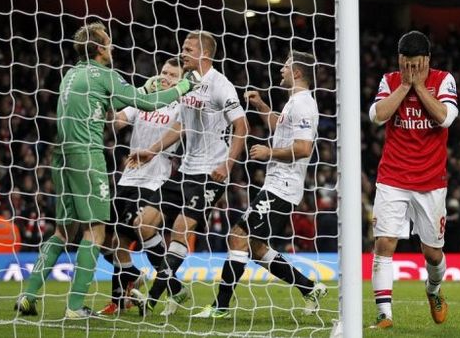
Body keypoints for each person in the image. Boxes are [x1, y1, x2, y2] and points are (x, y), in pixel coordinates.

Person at [14, 21, 196, 318]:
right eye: (108, 43)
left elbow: (105, 110)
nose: (111, 48)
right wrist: (184, 85)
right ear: (100, 48)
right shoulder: (105, 75)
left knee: (62, 231)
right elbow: (147, 104)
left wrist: (139, 89)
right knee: (96, 232)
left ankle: (28, 295)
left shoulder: (71, 75)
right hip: (88, 157)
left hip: (61, 156)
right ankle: (75, 307)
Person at [192, 50, 327, 319]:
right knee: (255, 247)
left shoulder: (303, 104)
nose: (281, 70)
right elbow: (281, 126)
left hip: (283, 186)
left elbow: (303, 148)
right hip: (277, 183)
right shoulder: (294, 102)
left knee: (238, 236)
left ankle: (220, 307)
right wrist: (262, 106)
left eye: (286, 66)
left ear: (298, 73)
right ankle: (309, 288)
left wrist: (269, 153)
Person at [127, 30, 248, 317]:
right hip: (185, 169)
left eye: (188, 48)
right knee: (144, 223)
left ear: (204, 53)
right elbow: (180, 126)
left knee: (181, 230)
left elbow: (243, 128)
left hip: (211, 172)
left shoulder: (221, 85)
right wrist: (152, 150)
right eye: (182, 48)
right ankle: (176, 288)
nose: (183, 52)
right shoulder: (186, 84)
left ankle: (152, 298)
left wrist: (227, 165)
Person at [368, 31, 458, 329]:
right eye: (406, 65)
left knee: (432, 253)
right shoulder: (390, 80)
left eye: (417, 65)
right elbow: (377, 115)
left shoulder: (443, 80)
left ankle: (433, 290)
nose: (411, 70)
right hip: (393, 175)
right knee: (384, 242)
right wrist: (405, 86)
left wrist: (419, 88)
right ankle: (384, 315)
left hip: (431, 180)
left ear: (427, 61)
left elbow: (445, 117)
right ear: (399, 60)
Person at [98, 57, 185, 315]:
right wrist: (109, 100)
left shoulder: (180, 106)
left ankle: (160, 286)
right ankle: (131, 283)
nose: (165, 78)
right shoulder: (143, 101)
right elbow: (116, 122)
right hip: (128, 178)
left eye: (172, 75)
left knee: (138, 228)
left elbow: (181, 132)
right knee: (109, 240)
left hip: (155, 180)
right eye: (163, 73)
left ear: (181, 82)